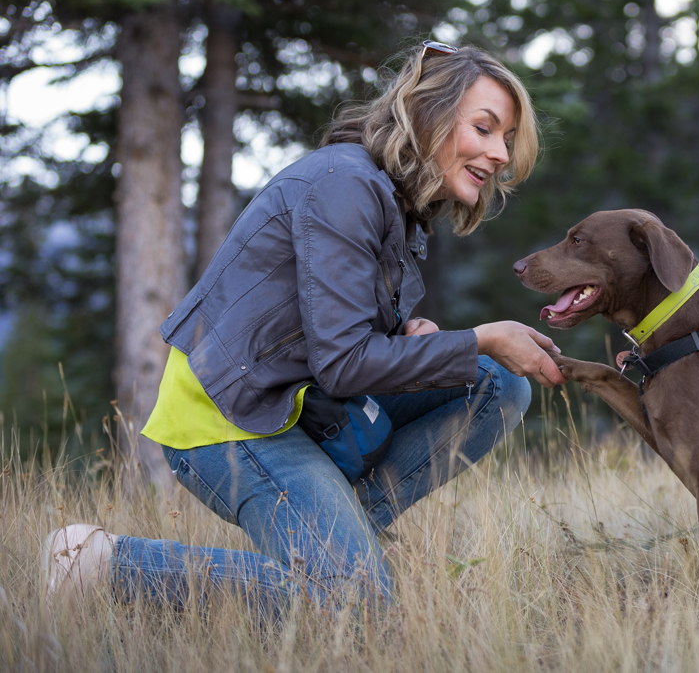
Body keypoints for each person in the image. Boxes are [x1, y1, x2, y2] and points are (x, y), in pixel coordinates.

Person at [42, 41, 564, 612]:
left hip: (298, 405)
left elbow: (327, 336)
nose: (499, 155)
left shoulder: (392, 201)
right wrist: (480, 337)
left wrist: (405, 335)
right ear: (429, 111)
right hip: (230, 417)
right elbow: (342, 364)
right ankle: (96, 563)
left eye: (507, 140)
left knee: (496, 384)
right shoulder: (345, 183)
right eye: (485, 129)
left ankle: (339, 541)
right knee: (356, 604)